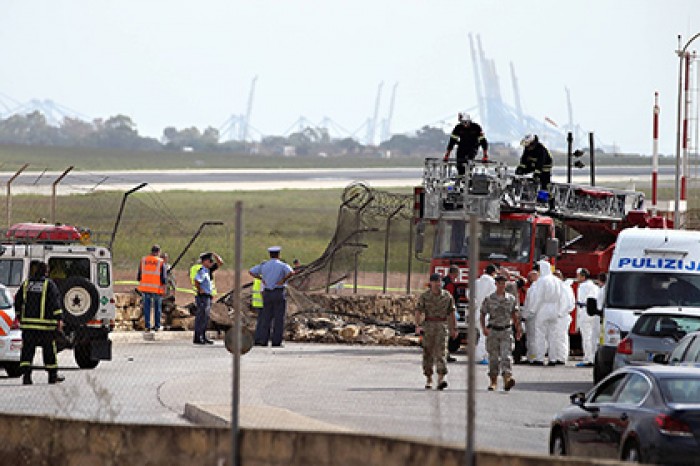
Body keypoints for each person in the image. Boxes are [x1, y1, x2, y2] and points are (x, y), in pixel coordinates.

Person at [14, 260, 64, 385]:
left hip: (28, 326)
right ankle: (52, 376)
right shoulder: (49, 285)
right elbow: (55, 303)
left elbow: (18, 301)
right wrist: (59, 319)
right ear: (46, 272)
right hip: (46, 327)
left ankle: (26, 377)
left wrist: (19, 316)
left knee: (27, 351)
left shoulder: (26, 284)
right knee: (49, 351)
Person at [415, 273, 457, 390]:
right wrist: (418, 325)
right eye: (436, 282)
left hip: (442, 326)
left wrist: (454, 328)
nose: (438, 284)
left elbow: (451, 312)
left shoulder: (447, 296)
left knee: (442, 352)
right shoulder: (425, 296)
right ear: (431, 283)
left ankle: (441, 378)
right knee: (428, 353)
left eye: (439, 282)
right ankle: (429, 378)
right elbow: (418, 310)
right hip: (429, 325)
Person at [480, 275, 521, 391]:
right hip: (493, 330)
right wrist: (483, 328)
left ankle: (507, 379)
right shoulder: (489, 299)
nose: (502, 286)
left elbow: (515, 315)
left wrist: (518, 329)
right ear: (496, 284)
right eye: (499, 283)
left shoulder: (511, 299)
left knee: (506, 356)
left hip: (506, 330)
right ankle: (493, 381)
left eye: (503, 283)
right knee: (493, 358)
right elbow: (482, 313)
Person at [249, 246, 295, 347]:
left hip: (267, 293)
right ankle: (276, 341)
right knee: (279, 318)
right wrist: (283, 280)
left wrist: (261, 278)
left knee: (266, 318)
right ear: (279, 255)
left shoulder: (264, 265)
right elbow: (291, 272)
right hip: (278, 292)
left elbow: (251, 271)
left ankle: (264, 340)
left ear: (270, 255)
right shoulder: (282, 265)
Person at [527, 260, 564, 365]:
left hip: (543, 308)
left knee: (540, 334)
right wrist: (560, 310)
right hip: (555, 308)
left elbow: (539, 297)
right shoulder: (557, 280)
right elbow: (561, 297)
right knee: (553, 335)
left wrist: (532, 310)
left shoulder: (542, 281)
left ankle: (540, 358)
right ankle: (553, 358)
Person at [443, 112, 489, 177]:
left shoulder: (476, 127)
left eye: (465, 122)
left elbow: (483, 142)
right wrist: (447, 155)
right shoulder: (458, 128)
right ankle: (461, 177)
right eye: (462, 123)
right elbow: (452, 142)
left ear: (469, 121)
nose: (464, 125)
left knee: (469, 160)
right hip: (462, 147)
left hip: (473, 147)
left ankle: (469, 176)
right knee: (459, 163)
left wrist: (485, 155)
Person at [193, 252, 224, 345]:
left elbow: (220, 263)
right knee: (201, 317)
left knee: (205, 318)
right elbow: (196, 280)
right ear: (204, 261)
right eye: (209, 260)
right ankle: (198, 337)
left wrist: (215, 254)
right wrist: (200, 289)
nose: (211, 262)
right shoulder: (202, 271)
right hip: (203, 297)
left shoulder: (208, 270)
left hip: (208, 296)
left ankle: (203, 335)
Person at [137, 245, 167, 333]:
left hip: (145, 288)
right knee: (157, 307)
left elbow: (139, 275)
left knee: (147, 307)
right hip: (156, 288)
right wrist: (164, 287)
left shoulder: (144, 260)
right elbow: (164, 277)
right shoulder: (160, 262)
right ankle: (157, 326)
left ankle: (147, 326)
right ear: (158, 252)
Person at [474, 264, 498, 365]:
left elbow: (469, 295)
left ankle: (481, 355)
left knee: (480, 334)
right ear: (493, 273)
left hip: (478, 311)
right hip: (488, 312)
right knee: (486, 336)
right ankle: (480, 356)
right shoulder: (493, 283)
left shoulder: (476, 282)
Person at [576, 268, 600, 367]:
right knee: (593, 337)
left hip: (585, 312)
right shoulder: (595, 286)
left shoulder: (583, 286)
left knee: (586, 337)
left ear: (583, 276)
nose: (577, 277)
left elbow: (581, 301)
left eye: (578, 275)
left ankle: (588, 359)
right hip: (593, 313)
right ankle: (593, 357)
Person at [552, 270, 575, 365]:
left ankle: (561, 357)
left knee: (560, 337)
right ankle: (559, 356)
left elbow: (565, 303)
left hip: (561, 316)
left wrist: (559, 313)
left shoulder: (563, 288)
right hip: (562, 315)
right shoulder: (564, 287)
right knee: (559, 337)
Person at [441, 265, 461, 363]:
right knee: (447, 333)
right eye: (457, 273)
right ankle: (445, 354)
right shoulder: (450, 284)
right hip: (447, 311)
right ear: (454, 273)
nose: (458, 275)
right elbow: (450, 298)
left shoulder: (443, 281)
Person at [521, 269, 539, 363]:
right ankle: (530, 356)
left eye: (530, 277)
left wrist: (525, 315)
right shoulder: (533, 288)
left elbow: (531, 305)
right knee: (530, 338)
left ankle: (533, 357)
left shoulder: (534, 289)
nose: (528, 279)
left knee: (533, 338)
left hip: (532, 317)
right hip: (531, 316)